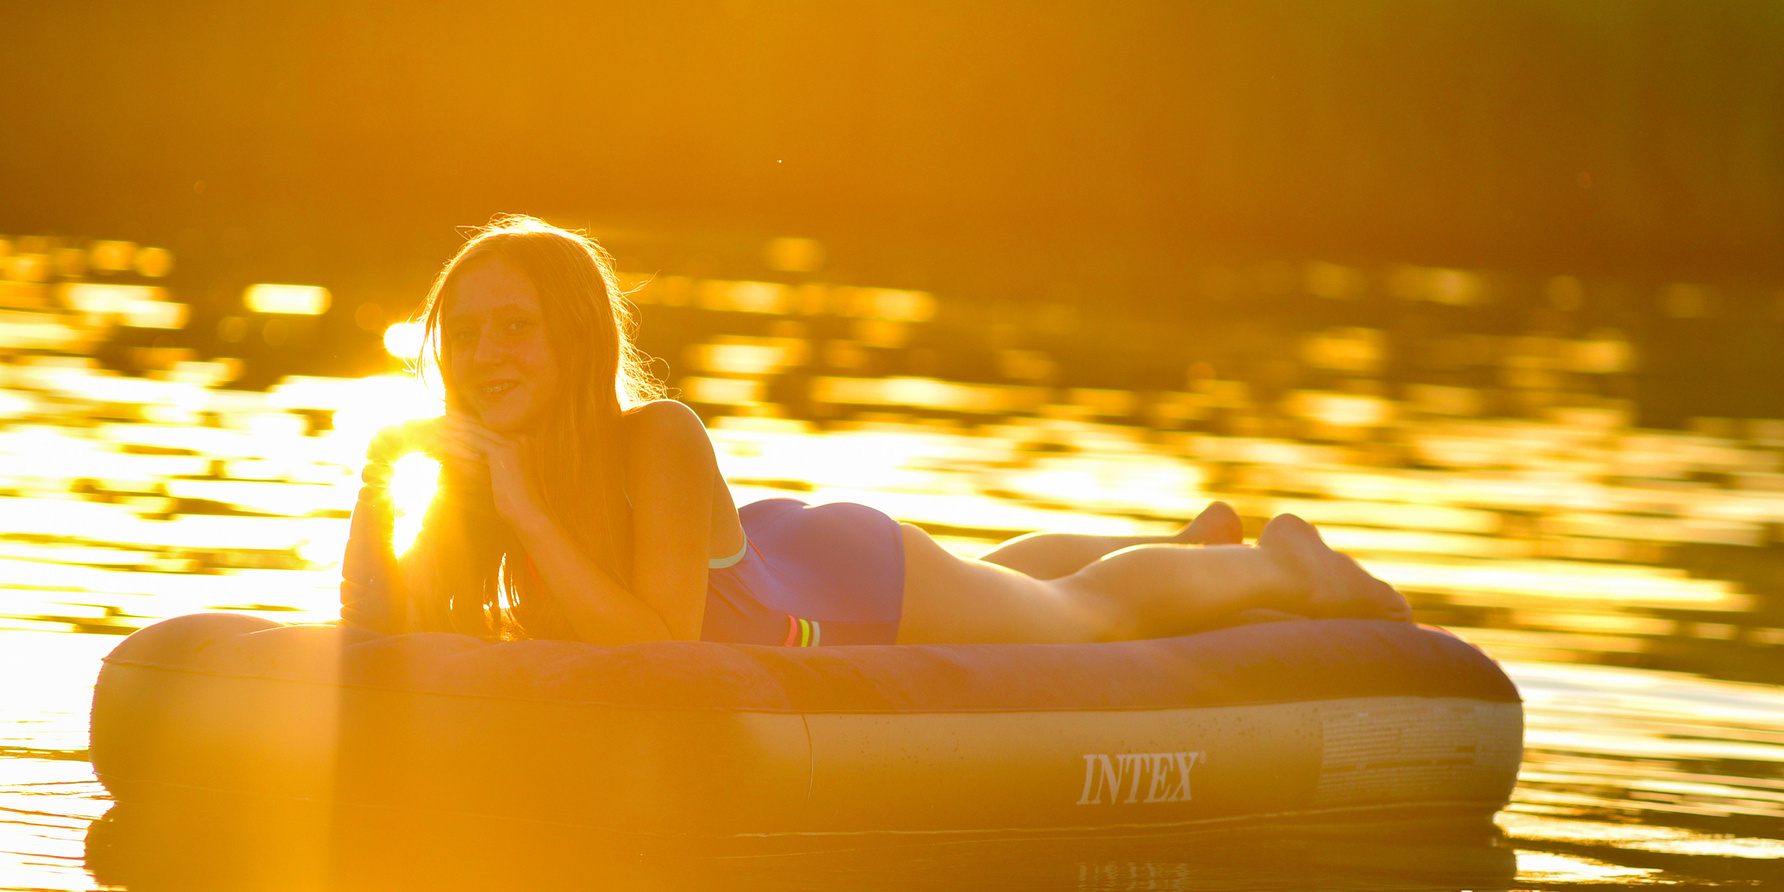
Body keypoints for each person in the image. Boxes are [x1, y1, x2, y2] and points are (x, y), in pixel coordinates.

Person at [340, 215, 1408, 647]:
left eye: (515, 328)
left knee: (1077, 610)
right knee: (1004, 570)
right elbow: (386, 640)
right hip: (763, 551)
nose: (486, 356)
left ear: (573, 341)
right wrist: (377, 488)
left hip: (842, 582)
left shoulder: (656, 437)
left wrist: (524, 513)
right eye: (467, 333)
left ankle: (1276, 562)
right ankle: (1188, 540)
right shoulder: (474, 467)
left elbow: (662, 648)